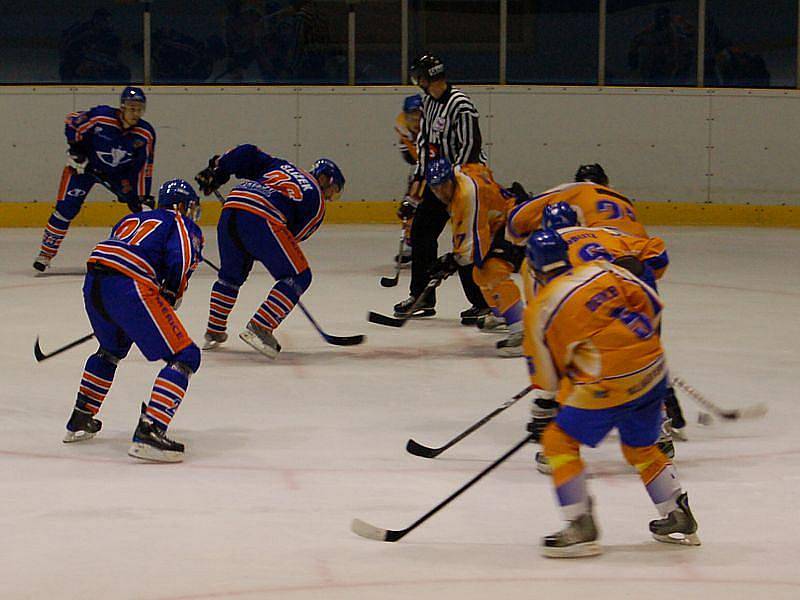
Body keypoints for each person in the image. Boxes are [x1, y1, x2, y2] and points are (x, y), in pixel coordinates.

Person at [523, 229, 700, 557]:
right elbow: (652, 303)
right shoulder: (606, 269)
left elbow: (547, 382)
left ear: (533, 269)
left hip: (605, 382)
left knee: (557, 442)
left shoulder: (539, 309)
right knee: (641, 446)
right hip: (653, 370)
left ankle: (579, 525)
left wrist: (563, 390)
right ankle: (677, 513)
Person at [62, 179, 204, 463]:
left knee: (110, 349)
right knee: (186, 355)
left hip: (95, 283)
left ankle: (81, 418)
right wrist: (173, 291)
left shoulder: (132, 218)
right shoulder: (181, 221)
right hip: (131, 285)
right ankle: (151, 431)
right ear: (181, 205)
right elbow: (182, 256)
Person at [195, 144, 344, 358]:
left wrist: (218, 171)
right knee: (299, 275)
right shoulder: (317, 200)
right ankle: (261, 326)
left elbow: (246, 152)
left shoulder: (281, 165)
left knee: (230, 276)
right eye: (334, 191)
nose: (330, 197)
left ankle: (214, 331)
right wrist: (261, 246)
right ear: (325, 180)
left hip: (232, 207)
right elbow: (293, 236)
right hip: (264, 217)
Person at [393, 54, 489, 322]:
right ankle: (422, 296)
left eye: (418, 77)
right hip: (439, 185)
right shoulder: (429, 103)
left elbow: (471, 148)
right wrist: (420, 186)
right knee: (422, 232)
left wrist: (456, 185)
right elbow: (424, 146)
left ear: (428, 77)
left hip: (465, 185)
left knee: (464, 243)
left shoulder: (461, 105)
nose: (417, 82)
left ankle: (481, 302)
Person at [33, 87, 156, 272]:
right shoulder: (101, 117)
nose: (136, 113)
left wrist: (140, 195)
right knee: (65, 209)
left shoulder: (145, 134)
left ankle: (143, 258)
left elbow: (144, 168)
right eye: (132, 108)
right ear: (122, 107)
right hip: (85, 168)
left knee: (140, 211)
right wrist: (76, 149)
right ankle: (45, 254)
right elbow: (72, 121)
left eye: (139, 109)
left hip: (118, 175)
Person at [424, 158, 524, 357]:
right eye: (435, 188)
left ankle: (522, 331)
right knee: (479, 273)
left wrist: (452, 261)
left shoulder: (467, 195)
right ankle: (503, 313)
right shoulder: (459, 180)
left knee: (492, 269)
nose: (440, 192)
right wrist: (452, 259)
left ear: (451, 180)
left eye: (443, 186)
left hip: (515, 220)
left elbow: (471, 246)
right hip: (498, 222)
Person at [394, 94, 423, 265]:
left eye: (417, 115)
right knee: (410, 208)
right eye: (410, 115)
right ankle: (412, 244)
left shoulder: (433, 131)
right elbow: (413, 160)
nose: (414, 119)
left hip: (448, 172)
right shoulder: (405, 133)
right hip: (424, 172)